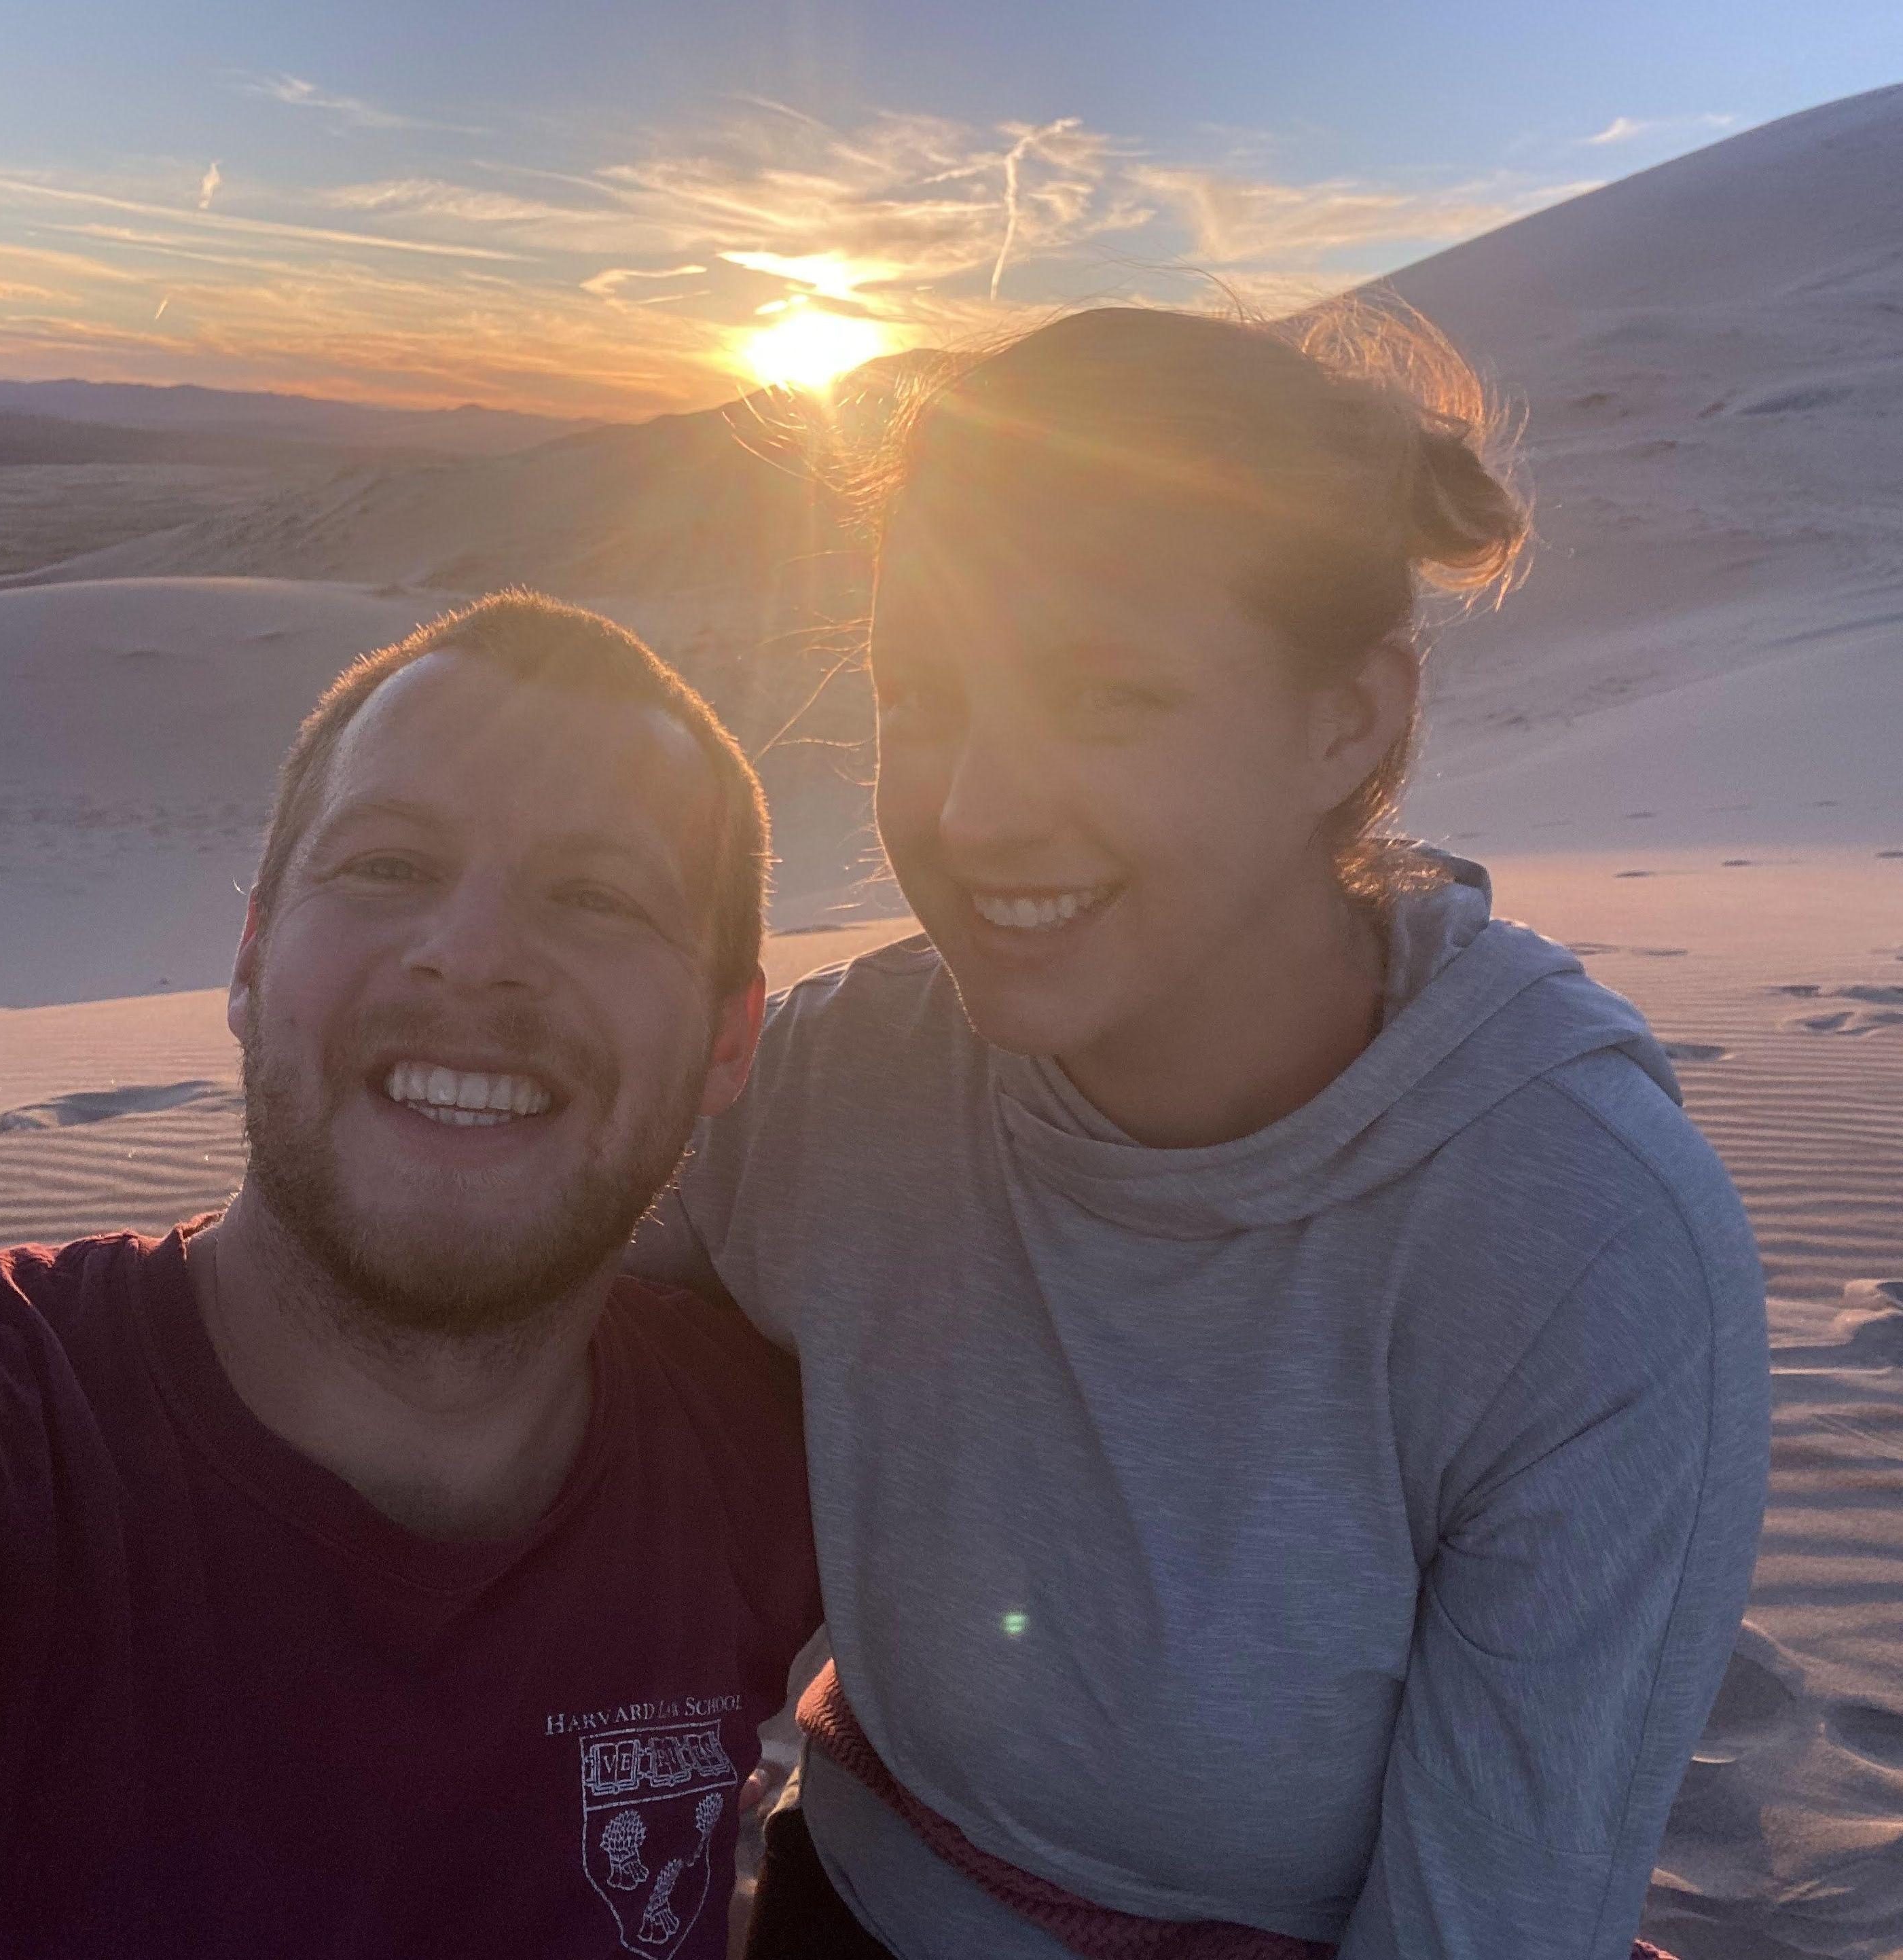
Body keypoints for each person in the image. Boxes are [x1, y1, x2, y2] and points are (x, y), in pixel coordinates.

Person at [627, 306, 1771, 1959]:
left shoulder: (1581, 1247)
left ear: (1349, 724)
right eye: (920, 692)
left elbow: (1485, 1924)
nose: (970, 812)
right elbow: (488, 1324)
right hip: (841, 1904)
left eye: (1107, 697)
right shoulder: (846, 1078)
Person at [0, 593, 820, 1959]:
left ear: (727, 1042)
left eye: (596, 896)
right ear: (248, 959)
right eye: (390, 866)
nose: (469, 956)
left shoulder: (761, 1465)